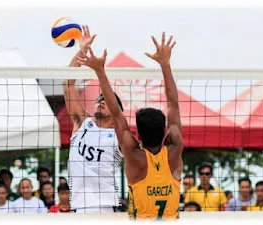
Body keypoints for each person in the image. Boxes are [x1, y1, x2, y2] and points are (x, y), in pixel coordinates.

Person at [76, 32, 183, 220]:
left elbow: (116, 113)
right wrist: (165, 64)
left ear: (138, 135)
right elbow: (173, 104)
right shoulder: (174, 152)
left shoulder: (135, 158)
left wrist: (100, 71)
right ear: (165, 132)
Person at [63, 25, 123, 213]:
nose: (100, 101)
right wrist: (81, 51)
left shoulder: (120, 136)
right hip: (78, 206)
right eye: (99, 99)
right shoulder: (83, 123)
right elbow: (67, 82)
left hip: (105, 206)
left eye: (105, 100)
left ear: (115, 112)